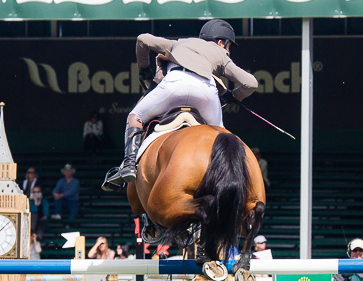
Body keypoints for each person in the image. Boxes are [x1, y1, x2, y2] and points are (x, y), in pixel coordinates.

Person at [103, 19, 258, 190]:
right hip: (205, 92)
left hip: (174, 85)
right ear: (220, 42)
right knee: (222, 137)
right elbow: (251, 83)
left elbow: (142, 39)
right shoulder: (220, 54)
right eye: (229, 46)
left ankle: (129, 165)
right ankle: (233, 176)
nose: (228, 51)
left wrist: (144, 67)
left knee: (135, 116)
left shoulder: (178, 43)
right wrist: (233, 96)